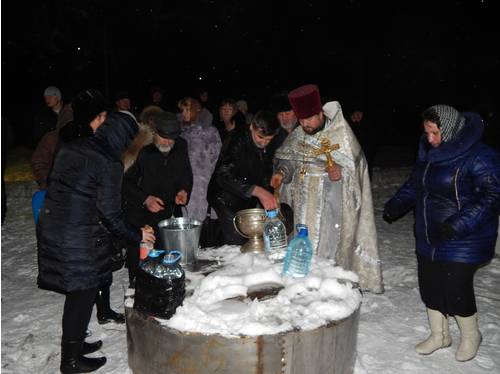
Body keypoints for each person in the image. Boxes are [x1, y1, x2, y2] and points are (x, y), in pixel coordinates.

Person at [36, 112, 155, 373]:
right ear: (125, 137)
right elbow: (111, 214)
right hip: (77, 236)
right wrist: (137, 235)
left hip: (53, 226)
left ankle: (75, 346)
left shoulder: (74, 146)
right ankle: (70, 361)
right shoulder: (109, 162)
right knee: (82, 294)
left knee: (78, 293)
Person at [383, 105, 500, 362]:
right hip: (429, 233)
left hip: (465, 236)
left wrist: (458, 224)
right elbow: (416, 185)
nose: (430, 139)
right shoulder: (429, 154)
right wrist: (396, 204)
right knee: (430, 286)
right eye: (427, 133)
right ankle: (440, 335)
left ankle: (471, 336)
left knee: (455, 287)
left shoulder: (479, 155)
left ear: (450, 131)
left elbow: (492, 197)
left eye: (435, 133)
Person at [271, 84, 383, 293]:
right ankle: (302, 288)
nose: (305, 124)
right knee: (301, 246)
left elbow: (357, 168)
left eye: (309, 119)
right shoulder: (299, 134)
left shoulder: (341, 134)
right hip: (302, 204)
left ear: (320, 112)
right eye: (301, 120)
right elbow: (289, 159)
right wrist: (282, 173)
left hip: (331, 204)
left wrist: (341, 172)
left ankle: (328, 291)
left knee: (327, 248)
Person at [122, 111, 193, 285]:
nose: (167, 142)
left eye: (171, 138)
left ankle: (165, 292)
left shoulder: (180, 146)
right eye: (163, 138)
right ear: (155, 133)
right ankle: (138, 293)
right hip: (141, 213)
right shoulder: (141, 150)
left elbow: (186, 173)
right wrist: (146, 198)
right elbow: (123, 183)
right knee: (142, 260)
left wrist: (184, 190)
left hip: (168, 211)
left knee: (167, 259)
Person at [208, 110, 280, 244]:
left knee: (250, 239)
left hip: (246, 198)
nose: (264, 143)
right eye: (260, 137)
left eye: (268, 139)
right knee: (235, 242)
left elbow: (265, 171)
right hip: (224, 198)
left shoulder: (269, 143)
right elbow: (223, 175)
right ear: (252, 126)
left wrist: (269, 192)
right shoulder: (236, 139)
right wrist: (258, 191)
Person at [178, 97, 221, 222]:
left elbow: (217, 157)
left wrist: (208, 178)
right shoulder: (180, 131)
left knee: (199, 219)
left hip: (202, 182)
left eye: (187, 110)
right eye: (182, 110)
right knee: (186, 218)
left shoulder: (209, 131)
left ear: (195, 110)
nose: (183, 113)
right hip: (183, 181)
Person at [347, 107, 377, 178]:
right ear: (352, 115)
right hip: (351, 154)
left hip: (365, 154)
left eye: (360, 114)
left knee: (365, 172)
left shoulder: (367, 124)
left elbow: (371, 142)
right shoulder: (347, 124)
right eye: (356, 114)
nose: (358, 116)